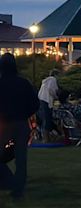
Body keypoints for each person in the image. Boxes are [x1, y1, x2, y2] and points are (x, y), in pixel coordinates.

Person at [0, 53, 40, 199]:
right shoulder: (24, 83)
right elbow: (35, 104)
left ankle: (9, 181)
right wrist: (25, 113)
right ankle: (17, 190)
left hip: (4, 124)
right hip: (21, 124)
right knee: (21, 159)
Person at [37, 69, 60, 143]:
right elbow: (50, 89)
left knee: (45, 119)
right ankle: (46, 139)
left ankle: (46, 137)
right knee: (47, 119)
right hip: (46, 100)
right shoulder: (53, 80)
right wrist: (55, 96)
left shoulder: (45, 81)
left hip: (41, 100)